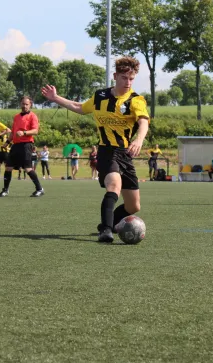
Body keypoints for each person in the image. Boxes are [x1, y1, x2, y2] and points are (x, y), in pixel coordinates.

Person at [41, 56, 149, 243]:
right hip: (107, 151)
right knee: (114, 186)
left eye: (131, 78)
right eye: (124, 78)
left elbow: (143, 122)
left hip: (125, 153)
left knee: (134, 206)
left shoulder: (136, 100)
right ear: (115, 76)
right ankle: (105, 230)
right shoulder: (100, 97)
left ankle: (113, 223)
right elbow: (80, 107)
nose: (128, 82)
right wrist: (55, 98)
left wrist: (138, 139)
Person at [0, 96, 44, 198]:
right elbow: (13, 132)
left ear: (30, 105)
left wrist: (24, 132)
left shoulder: (33, 116)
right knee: (8, 167)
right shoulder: (16, 117)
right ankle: (5, 190)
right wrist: (7, 142)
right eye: (23, 104)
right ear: (20, 104)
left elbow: (35, 131)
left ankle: (39, 189)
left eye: (27, 104)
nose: (24, 106)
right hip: (15, 145)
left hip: (27, 144)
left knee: (27, 168)